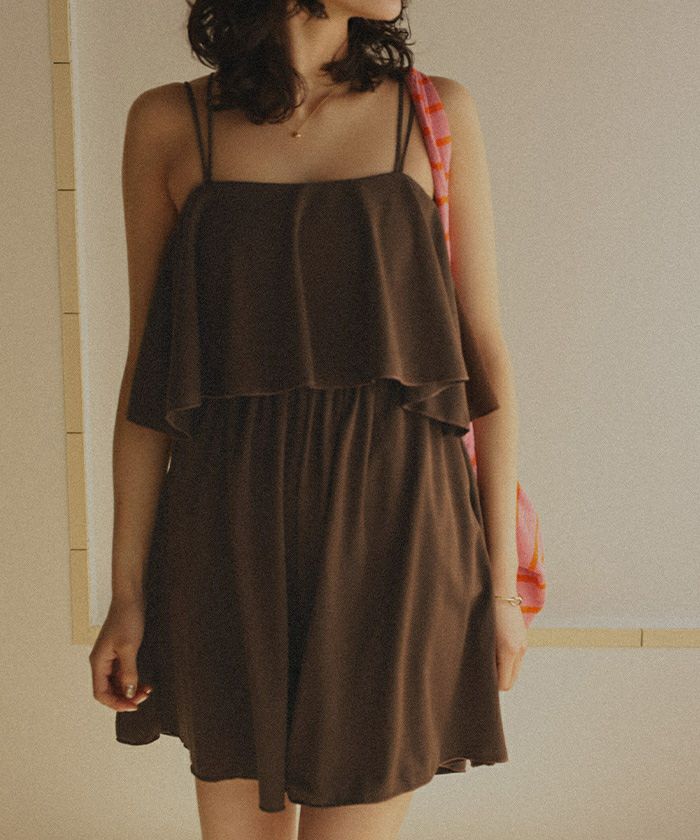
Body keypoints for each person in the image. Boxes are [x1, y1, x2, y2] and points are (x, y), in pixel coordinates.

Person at [89, 1, 528, 838]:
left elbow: (487, 361)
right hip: (225, 532)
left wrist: (500, 589)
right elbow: (150, 372)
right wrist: (128, 594)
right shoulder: (168, 123)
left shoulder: (433, 110)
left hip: (399, 531)